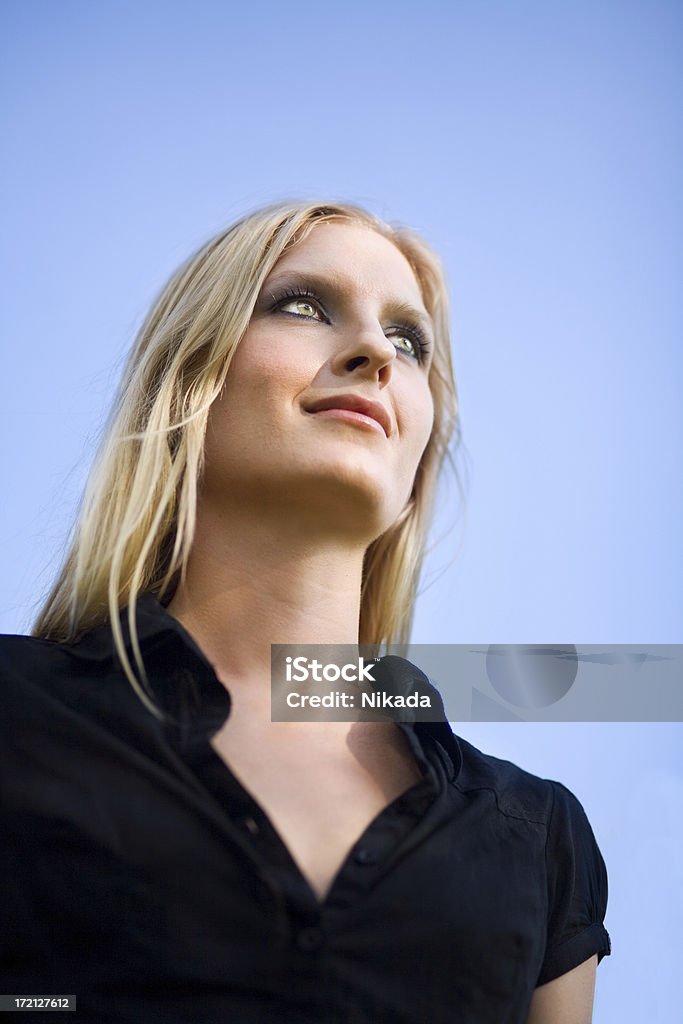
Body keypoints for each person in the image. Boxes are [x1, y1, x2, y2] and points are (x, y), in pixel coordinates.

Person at [0, 200, 611, 1023]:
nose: (375, 355)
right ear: (190, 378)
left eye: (409, 342)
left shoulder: (539, 839)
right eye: (304, 305)